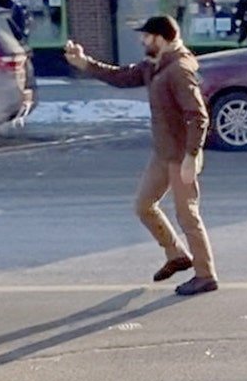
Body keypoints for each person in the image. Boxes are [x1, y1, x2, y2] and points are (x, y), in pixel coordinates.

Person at [63, 16, 219, 296]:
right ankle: (176, 254)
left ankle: (206, 275)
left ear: (161, 38)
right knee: (144, 205)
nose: (142, 40)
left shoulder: (179, 70)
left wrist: (191, 156)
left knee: (188, 216)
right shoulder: (155, 65)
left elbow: (198, 117)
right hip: (163, 153)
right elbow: (122, 76)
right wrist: (85, 63)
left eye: (146, 36)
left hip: (180, 157)